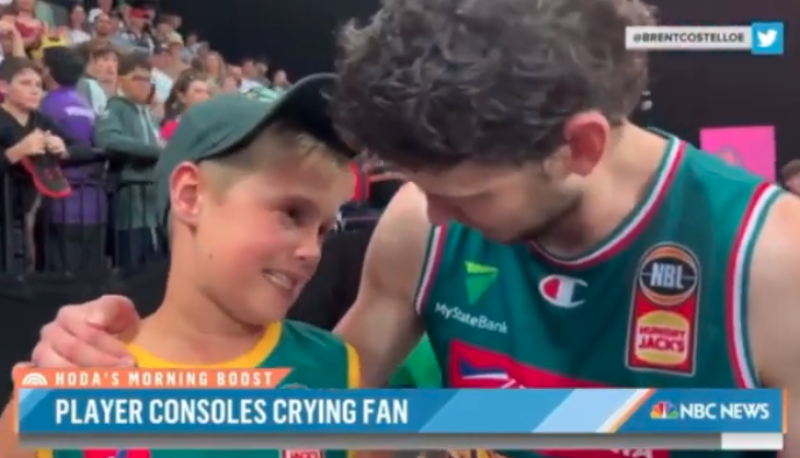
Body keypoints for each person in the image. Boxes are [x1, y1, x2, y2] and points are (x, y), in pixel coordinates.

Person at [19, 0, 800, 456]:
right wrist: (96, 369)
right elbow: (315, 396)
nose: (430, 215)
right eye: (413, 185)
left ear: (580, 147)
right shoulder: (419, 223)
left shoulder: (770, 260)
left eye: (464, 194)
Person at [0, 75, 361, 458]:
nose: (312, 251)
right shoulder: (67, 384)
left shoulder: (335, 369)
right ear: (190, 196)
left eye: (323, 229)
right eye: (291, 213)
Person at [39, 45, 107, 272]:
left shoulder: (46, 105)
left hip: (61, 204)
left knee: (62, 280)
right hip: (94, 205)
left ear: (48, 71)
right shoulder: (87, 105)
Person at [93, 51, 162, 269]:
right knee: (131, 273)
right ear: (121, 79)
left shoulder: (149, 115)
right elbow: (107, 139)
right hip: (130, 208)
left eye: (147, 79)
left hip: (153, 208)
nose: (144, 85)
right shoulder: (116, 107)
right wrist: (156, 152)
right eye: (137, 78)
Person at [159, 68, 209, 141]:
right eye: (198, 91)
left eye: (207, 92)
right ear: (182, 97)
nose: (205, 96)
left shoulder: (214, 126)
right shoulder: (171, 129)